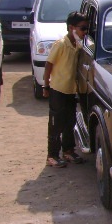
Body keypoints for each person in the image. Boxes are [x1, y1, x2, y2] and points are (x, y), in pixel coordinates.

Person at [43, 11, 88, 167]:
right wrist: (46, 85)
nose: (84, 32)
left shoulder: (78, 45)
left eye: (86, 29)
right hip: (58, 90)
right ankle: (52, 155)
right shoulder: (61, 44)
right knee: (56, 124)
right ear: (71, 28)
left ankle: (68, 151)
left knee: (70, 122)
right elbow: (49, 64)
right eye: (82, 28)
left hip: (70, 90)